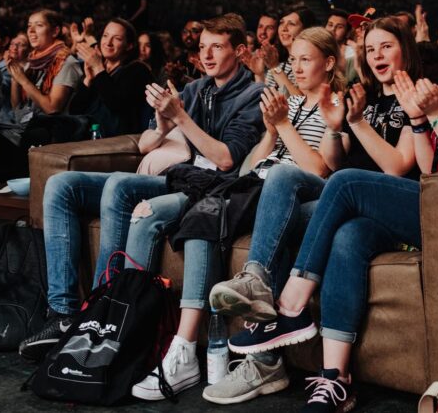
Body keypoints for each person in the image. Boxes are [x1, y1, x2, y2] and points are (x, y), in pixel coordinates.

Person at [214, 8, 438, 412]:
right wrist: (420, 121)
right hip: (433, 198)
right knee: (350, 234)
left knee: (345, 182)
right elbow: (431, 167)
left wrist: (430, 115)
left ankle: (290, 305)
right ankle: (335, 380)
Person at [18, 14, 264, 362]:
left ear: (239, 51)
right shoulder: (195, 89)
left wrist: (180, 116)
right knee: (61, 185)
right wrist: (164, 122)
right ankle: (63, 314)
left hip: (210, 189)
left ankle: (100, 309)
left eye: (217, 47)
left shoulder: (254, 94)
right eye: (203, 47)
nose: (207, 55)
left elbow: (225, 159)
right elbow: (147, 144)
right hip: (179, 178)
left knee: (120, 185)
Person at [204, 16, 422, 405]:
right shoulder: (365, 97)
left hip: (391, 206)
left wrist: (351, 122)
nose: (376, 56)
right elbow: (337, 162)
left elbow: (395, 167)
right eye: (370, 49)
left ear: (407, 47)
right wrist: (339, 130)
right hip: (354, 212)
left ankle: (288, 306)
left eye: (386, 46)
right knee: (338, 230)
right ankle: (334, 379)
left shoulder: (413, 96)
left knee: (325, 185)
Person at [126, 26, 340, 400]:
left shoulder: (335, 107)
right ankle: (181, 346)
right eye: (294, 61)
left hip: (311, 199)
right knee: (204, 218)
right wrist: (272, 133)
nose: (298, 69)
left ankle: (255, 289)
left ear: (331, 62)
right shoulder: (293, 104)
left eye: (307, 60)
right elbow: (248, 168)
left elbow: (318, 170)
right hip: (262, 190)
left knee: (282, 175)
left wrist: (283, 127)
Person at [2, 9, 83, 148]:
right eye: (29, 26)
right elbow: (17, 107)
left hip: (51, 138)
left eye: (39, 25)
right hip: (26, 130)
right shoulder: (33, 62)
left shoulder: (66, 62)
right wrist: (16, 77)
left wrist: (24, 81)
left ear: (55, 31)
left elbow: (52, 108)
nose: (31, 31)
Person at [75, 19, 152, 136]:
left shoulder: (138, 70)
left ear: (129, 45)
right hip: (88, 135)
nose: (108, 42)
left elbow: (116, 104)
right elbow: (75, 110)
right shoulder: (99, 69)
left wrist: (98, 67)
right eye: (105, 36)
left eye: (117, 39)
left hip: (117, 141)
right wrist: (88, 80)